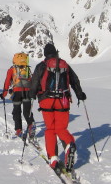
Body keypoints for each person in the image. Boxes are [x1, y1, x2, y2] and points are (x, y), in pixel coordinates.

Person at [29, 43, 87, 173]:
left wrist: (32, 94)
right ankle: (69, 145)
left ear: (45, 54)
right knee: (61, 128)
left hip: (46, 101)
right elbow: (74, 80)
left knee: (50, 129)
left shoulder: (42, 65)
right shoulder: (64, 64)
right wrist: (79, 94)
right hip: (63, 101)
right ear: (56, 52)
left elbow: (35, 82)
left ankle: (53, 158)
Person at [0, 52, 35, 138]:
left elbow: (7, 81)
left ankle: (19, 129)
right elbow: (32, 79)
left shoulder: (12, 69)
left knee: (16, 111)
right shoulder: (27, 69)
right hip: (27, 92)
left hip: (17, 93)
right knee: (27, 112)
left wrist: (4, 94)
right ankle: (31, 126)